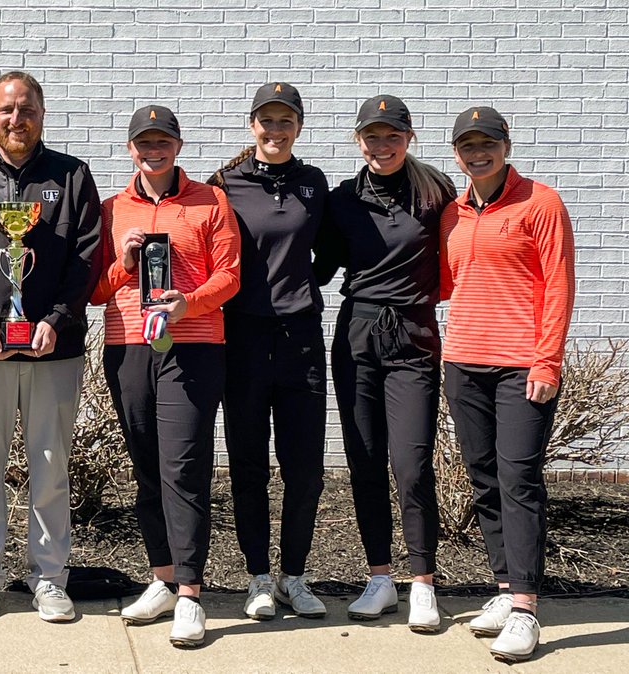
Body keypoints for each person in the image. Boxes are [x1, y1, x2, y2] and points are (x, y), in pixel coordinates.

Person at [0, 71, 102, 624]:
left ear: (42, 114)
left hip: (56, 349)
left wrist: (55, 318)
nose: (16, 119)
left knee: (50, 466)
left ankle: (49, 577)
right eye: (6, 109)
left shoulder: (73, 177)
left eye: (26, 109)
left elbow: (85, 258)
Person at [94, 106, 241, 647]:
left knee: (183, 465)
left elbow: (230, 276)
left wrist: (188, 305)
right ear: (131, 148)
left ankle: (191, 593)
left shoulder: (210, 200)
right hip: (129, 346)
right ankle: (161, 575)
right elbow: (95, 290)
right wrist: (125, 265)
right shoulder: (112, 209)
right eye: (143, 142)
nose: (153, 149)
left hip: (194, 346)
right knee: (147, 465)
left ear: (177, 145)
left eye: (162, 140)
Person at [313, 95, 455, 632]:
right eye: (372, 136)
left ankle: (422, 581)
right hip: (357, 336)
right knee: (365, 459)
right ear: (358, 140)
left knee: (413, 462)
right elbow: (319, 268)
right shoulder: (342, 199)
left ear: (409, 138)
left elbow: (459, 257)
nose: (381, 145)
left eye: (392, 135)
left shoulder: (435, 193)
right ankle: (379, 577)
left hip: (414, 337)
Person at [440, 106, 575, 662]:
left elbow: (559, 284)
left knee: (518, 478)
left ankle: (525, 607)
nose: (479, 154)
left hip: (522, 365)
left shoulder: (540, 202)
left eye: (488, 144)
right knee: (485, 477)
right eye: (468, 146)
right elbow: (450, 284)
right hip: (464, 362)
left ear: (506, 144)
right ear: (456, 154)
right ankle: (502, 587)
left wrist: (547, 361)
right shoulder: (451, 213)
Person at [207, 82, 330, 621]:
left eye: (285, 121)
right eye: (266, 121)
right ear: (251, 125)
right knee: (249, 463)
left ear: (298, 126)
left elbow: (324, 255)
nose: (275, 130)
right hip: (244, 338)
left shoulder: (314, 183)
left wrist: (298, 287)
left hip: (300, 338)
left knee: (304, 467)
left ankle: (294, 576)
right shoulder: (224, 184)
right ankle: (258, 575)